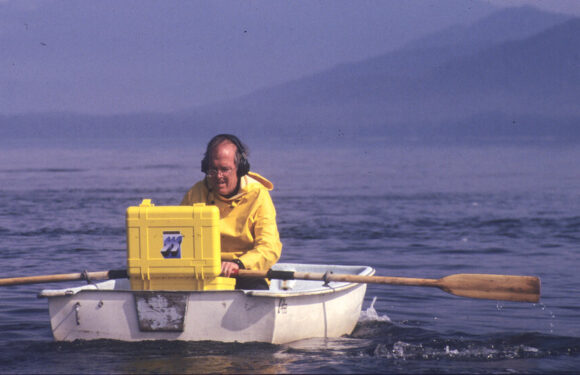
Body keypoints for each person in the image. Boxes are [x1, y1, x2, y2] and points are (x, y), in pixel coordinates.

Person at [180, 134, 282, 290]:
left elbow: (269, 248)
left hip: (245, 272)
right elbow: (178, 236)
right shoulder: (196, 193)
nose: (219, 176)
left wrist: (239, 264)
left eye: (225, 170)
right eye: (213, 170)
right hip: (204, 272)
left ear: (240, 168)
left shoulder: (258, 195)